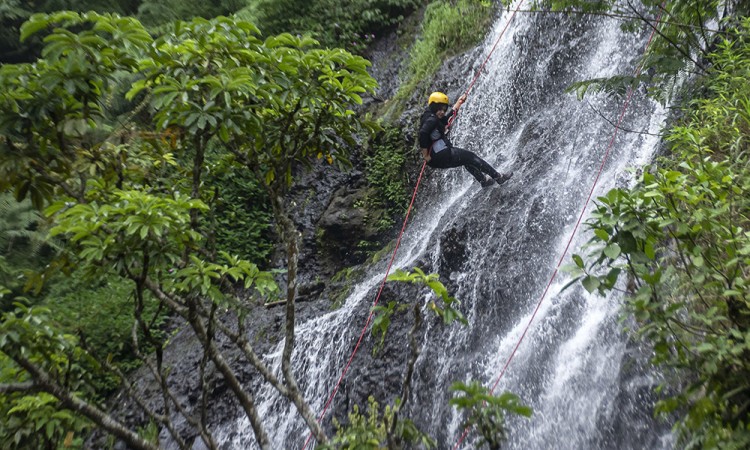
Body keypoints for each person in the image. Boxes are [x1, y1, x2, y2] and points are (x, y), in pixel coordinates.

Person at [418, 91, 512, 187]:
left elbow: (445, 120)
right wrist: (425, 155)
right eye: (439, 109)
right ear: (434, 106)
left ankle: (483, 180)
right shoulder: (432, 120)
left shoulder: (429, 115)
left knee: (465, 160)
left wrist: (459, 103)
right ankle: (498, 177)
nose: (442, 112)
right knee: (471, 157)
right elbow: (423, 133)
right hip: (441, 154)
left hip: (437, 156)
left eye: (444, 109)